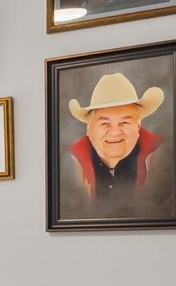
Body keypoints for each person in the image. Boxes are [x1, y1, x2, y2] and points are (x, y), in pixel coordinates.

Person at [66, 72, 165, 213]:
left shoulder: (163, 158)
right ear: (89, 129)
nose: (114, 132)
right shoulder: (68, 165)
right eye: (104, 123)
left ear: (137, 127)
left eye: (124, 122)